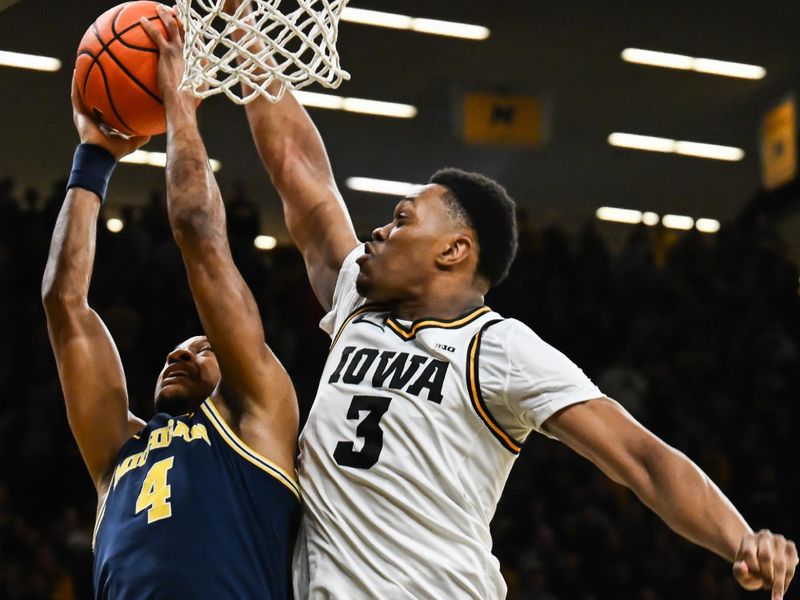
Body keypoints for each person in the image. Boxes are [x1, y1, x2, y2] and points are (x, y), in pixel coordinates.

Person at [221, 4, 798, 599]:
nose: (378, 233)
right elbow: (300, 171)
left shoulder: (498, 347)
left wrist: (741, 539)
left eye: (401, 220)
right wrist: (243, 32)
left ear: (453, 251)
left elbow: (641, 458)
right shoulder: (357, 305)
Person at [41, 7, 299, 598]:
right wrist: (94, 156)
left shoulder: (256, 417)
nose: (180, 353)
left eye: (203, 348)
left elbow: (196, 230)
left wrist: (177, 100)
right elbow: (64, 304)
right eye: (177, 349)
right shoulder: (116, 454)